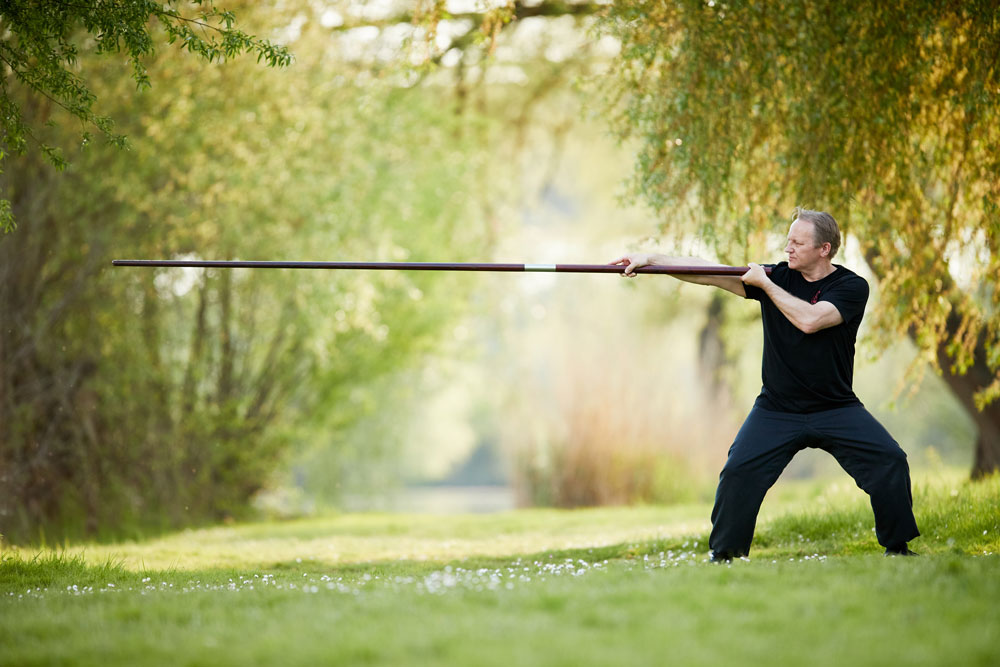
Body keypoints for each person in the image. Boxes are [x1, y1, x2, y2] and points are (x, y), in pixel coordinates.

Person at [611, 209, 920, 560]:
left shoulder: (850, 287)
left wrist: (765, 286)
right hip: (777, 408)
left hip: (835, 406)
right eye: (788, 240)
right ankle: (725, 556)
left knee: (890, 460)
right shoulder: (776, 275)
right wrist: (651, 259)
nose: (788, 248)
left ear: (824, 249)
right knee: (738, 472)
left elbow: (810, 320)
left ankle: (897, 548)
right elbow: (706, 272)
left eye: (797, 243)